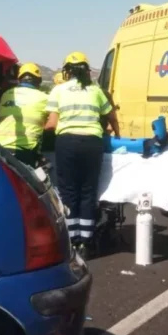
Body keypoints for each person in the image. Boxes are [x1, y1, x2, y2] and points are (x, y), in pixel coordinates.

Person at [45, 52, 120, 256]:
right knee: (88, 191)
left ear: (67, 71)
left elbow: (52, 123)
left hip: (67, 143)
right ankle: (86, 243)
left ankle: (72, 240)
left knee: (69, 191)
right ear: (87, 70)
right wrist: (117, 133)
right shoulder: (96, 90)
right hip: (92, 143)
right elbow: (111, 115)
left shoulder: (58, 90)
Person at [0, 63, 49, 167]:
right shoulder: (44, 98)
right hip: (24, 149)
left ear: (19, 79)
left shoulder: (6, 94)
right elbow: (51, 124)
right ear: (38, 81)